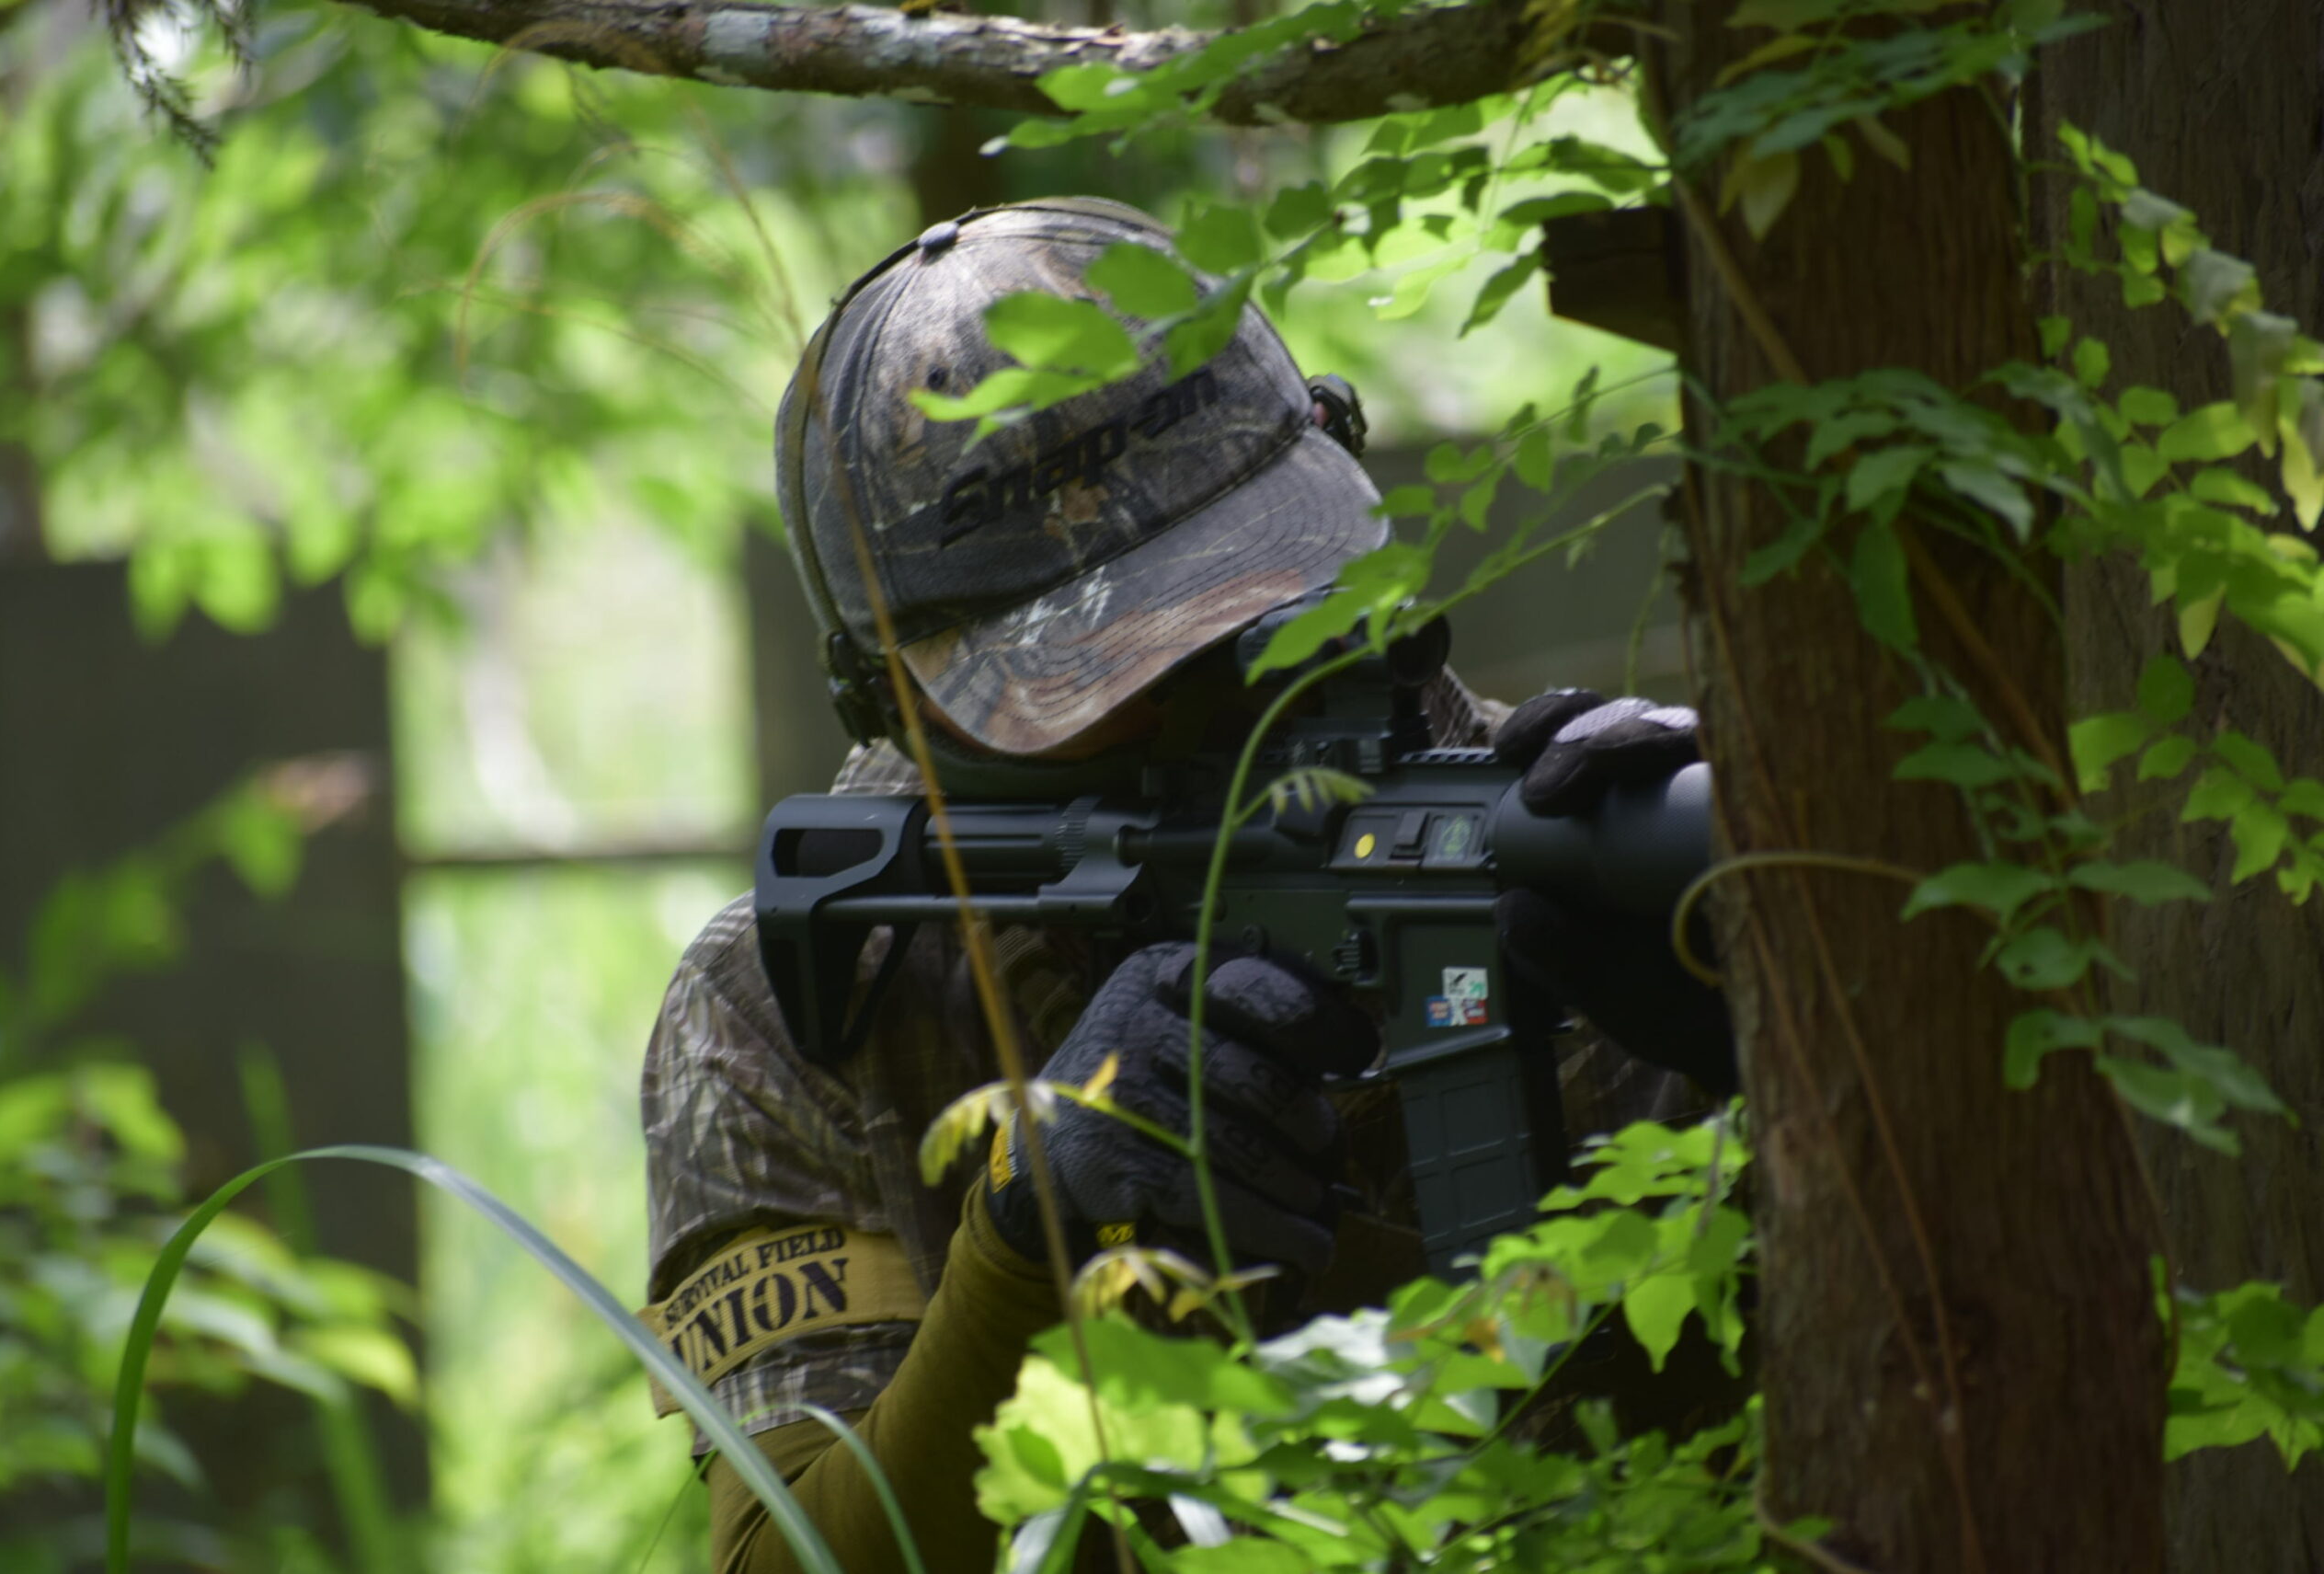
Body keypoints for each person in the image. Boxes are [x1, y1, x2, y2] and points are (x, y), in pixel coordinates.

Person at [637, 197, 1734, 1574]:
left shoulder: (1606, 833)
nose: (1189, 691)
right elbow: (786, 1556)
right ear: (891, 696)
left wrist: (1783, 1008)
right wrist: (1025, 1239)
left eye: (1233, 603)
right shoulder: (812, 992)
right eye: (1089, 665)